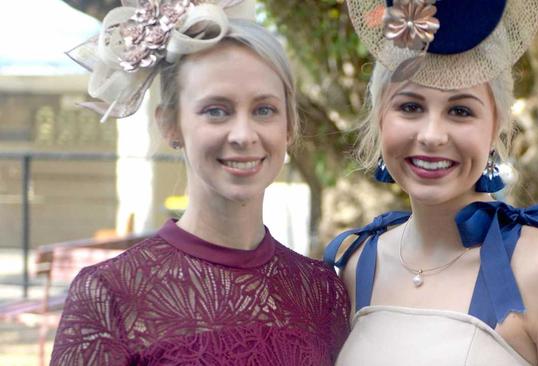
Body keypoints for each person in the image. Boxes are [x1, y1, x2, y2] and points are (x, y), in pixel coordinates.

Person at [51, 1, 349, 364]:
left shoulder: (320, 291)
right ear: (170, 125)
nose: (243, 134)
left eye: (264, 110)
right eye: (216, 110)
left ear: (288, 127)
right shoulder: (109, 295)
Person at [325, 0, 538, 364]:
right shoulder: (355, 268)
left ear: (495, 127)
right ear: (380, 118)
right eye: (410, 107)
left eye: (460, 110)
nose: (432, 135)